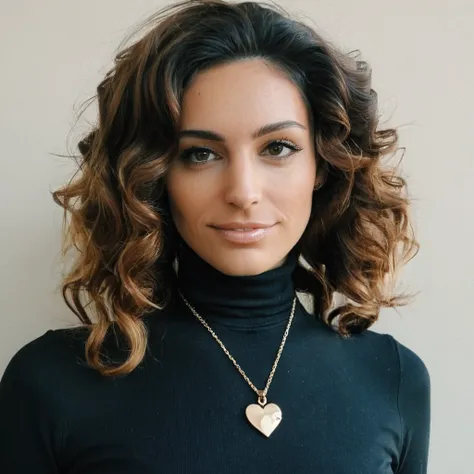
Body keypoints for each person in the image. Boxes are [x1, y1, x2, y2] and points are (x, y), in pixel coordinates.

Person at [0, 0, 431, 472]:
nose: (243, 192)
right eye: (200, 154)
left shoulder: (393, 379)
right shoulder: (53, 383)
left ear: (323, 165)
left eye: (278, 148)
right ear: (153, 176)